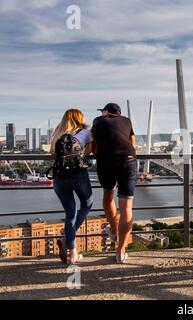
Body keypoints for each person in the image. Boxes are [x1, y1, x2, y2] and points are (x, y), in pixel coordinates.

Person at [91, 103, 137, 264]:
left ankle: (114, 230)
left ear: (106, 112)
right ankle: (121, 251)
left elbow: (94, 149)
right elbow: (133, 144)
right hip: (129, 160)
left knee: (109, 195)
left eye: (103, 110)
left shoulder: (97, 121)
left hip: (107, 162)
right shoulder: (127, 121)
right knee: (126, 207)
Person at [50, 109, 94, 265]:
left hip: (59, 177)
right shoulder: (85, 132)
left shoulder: (57, 132)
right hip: (78, 175)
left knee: (70, 213)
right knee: (87, 204)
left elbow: (52, 153)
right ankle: (69, 242)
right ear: (80, 118)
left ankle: (72, 253)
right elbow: (89, 152)